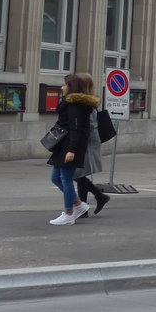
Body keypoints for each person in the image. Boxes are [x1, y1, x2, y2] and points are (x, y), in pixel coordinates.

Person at [45, 73, 98, 226]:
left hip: (70, 146)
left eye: (64, 85)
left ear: (71, 87)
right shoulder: (69, 103)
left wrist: (72, 150)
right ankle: (79, 205)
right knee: (55, 178)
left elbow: (76, 129)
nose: (62, 87)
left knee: (65, 179)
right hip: (63, 145)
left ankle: (69, 213)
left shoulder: (76, 105)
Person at [73, 73, 111, 215]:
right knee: (79, 173)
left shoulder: (87, 101)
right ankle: (96, 198)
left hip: (87, 141)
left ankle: (87, 204)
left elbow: (87, 125)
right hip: (87, 140)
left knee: (78, 173)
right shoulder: (85, 100)